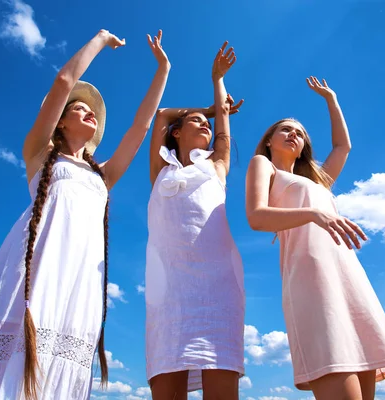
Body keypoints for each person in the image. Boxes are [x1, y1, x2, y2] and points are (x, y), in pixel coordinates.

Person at [0, 29, 170, 400]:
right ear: (61, 121)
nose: (89, 111)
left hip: (79, 282)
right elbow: (64, 82)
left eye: (91, 109)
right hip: (34, 269)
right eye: (80, 108)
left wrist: (163, 69)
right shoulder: (40, 154)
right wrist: (99, 39)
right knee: (17, 354)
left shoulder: (102, 176)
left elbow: (141, 128)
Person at [245, 77, 385, 400]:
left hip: (348, 278)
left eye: (301, 134)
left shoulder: (317, 181)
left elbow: (342, 147)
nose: (295, 135)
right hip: (312, 280)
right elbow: (256, 216)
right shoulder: (263, 165)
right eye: (286, 130)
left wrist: (331, 99)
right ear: (268, 141)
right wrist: (313, 214)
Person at [144, 42, 245, 400]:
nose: (205, 125)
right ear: (176, 132)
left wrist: (217, 83)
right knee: (167, 382)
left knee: (220, 380)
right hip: (168, 291)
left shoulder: (216, 166)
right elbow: (160, 115)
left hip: (216, 288)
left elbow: (223, 132)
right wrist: (206, 109)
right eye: (195, 123)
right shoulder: (161, 170)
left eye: (207, 123)